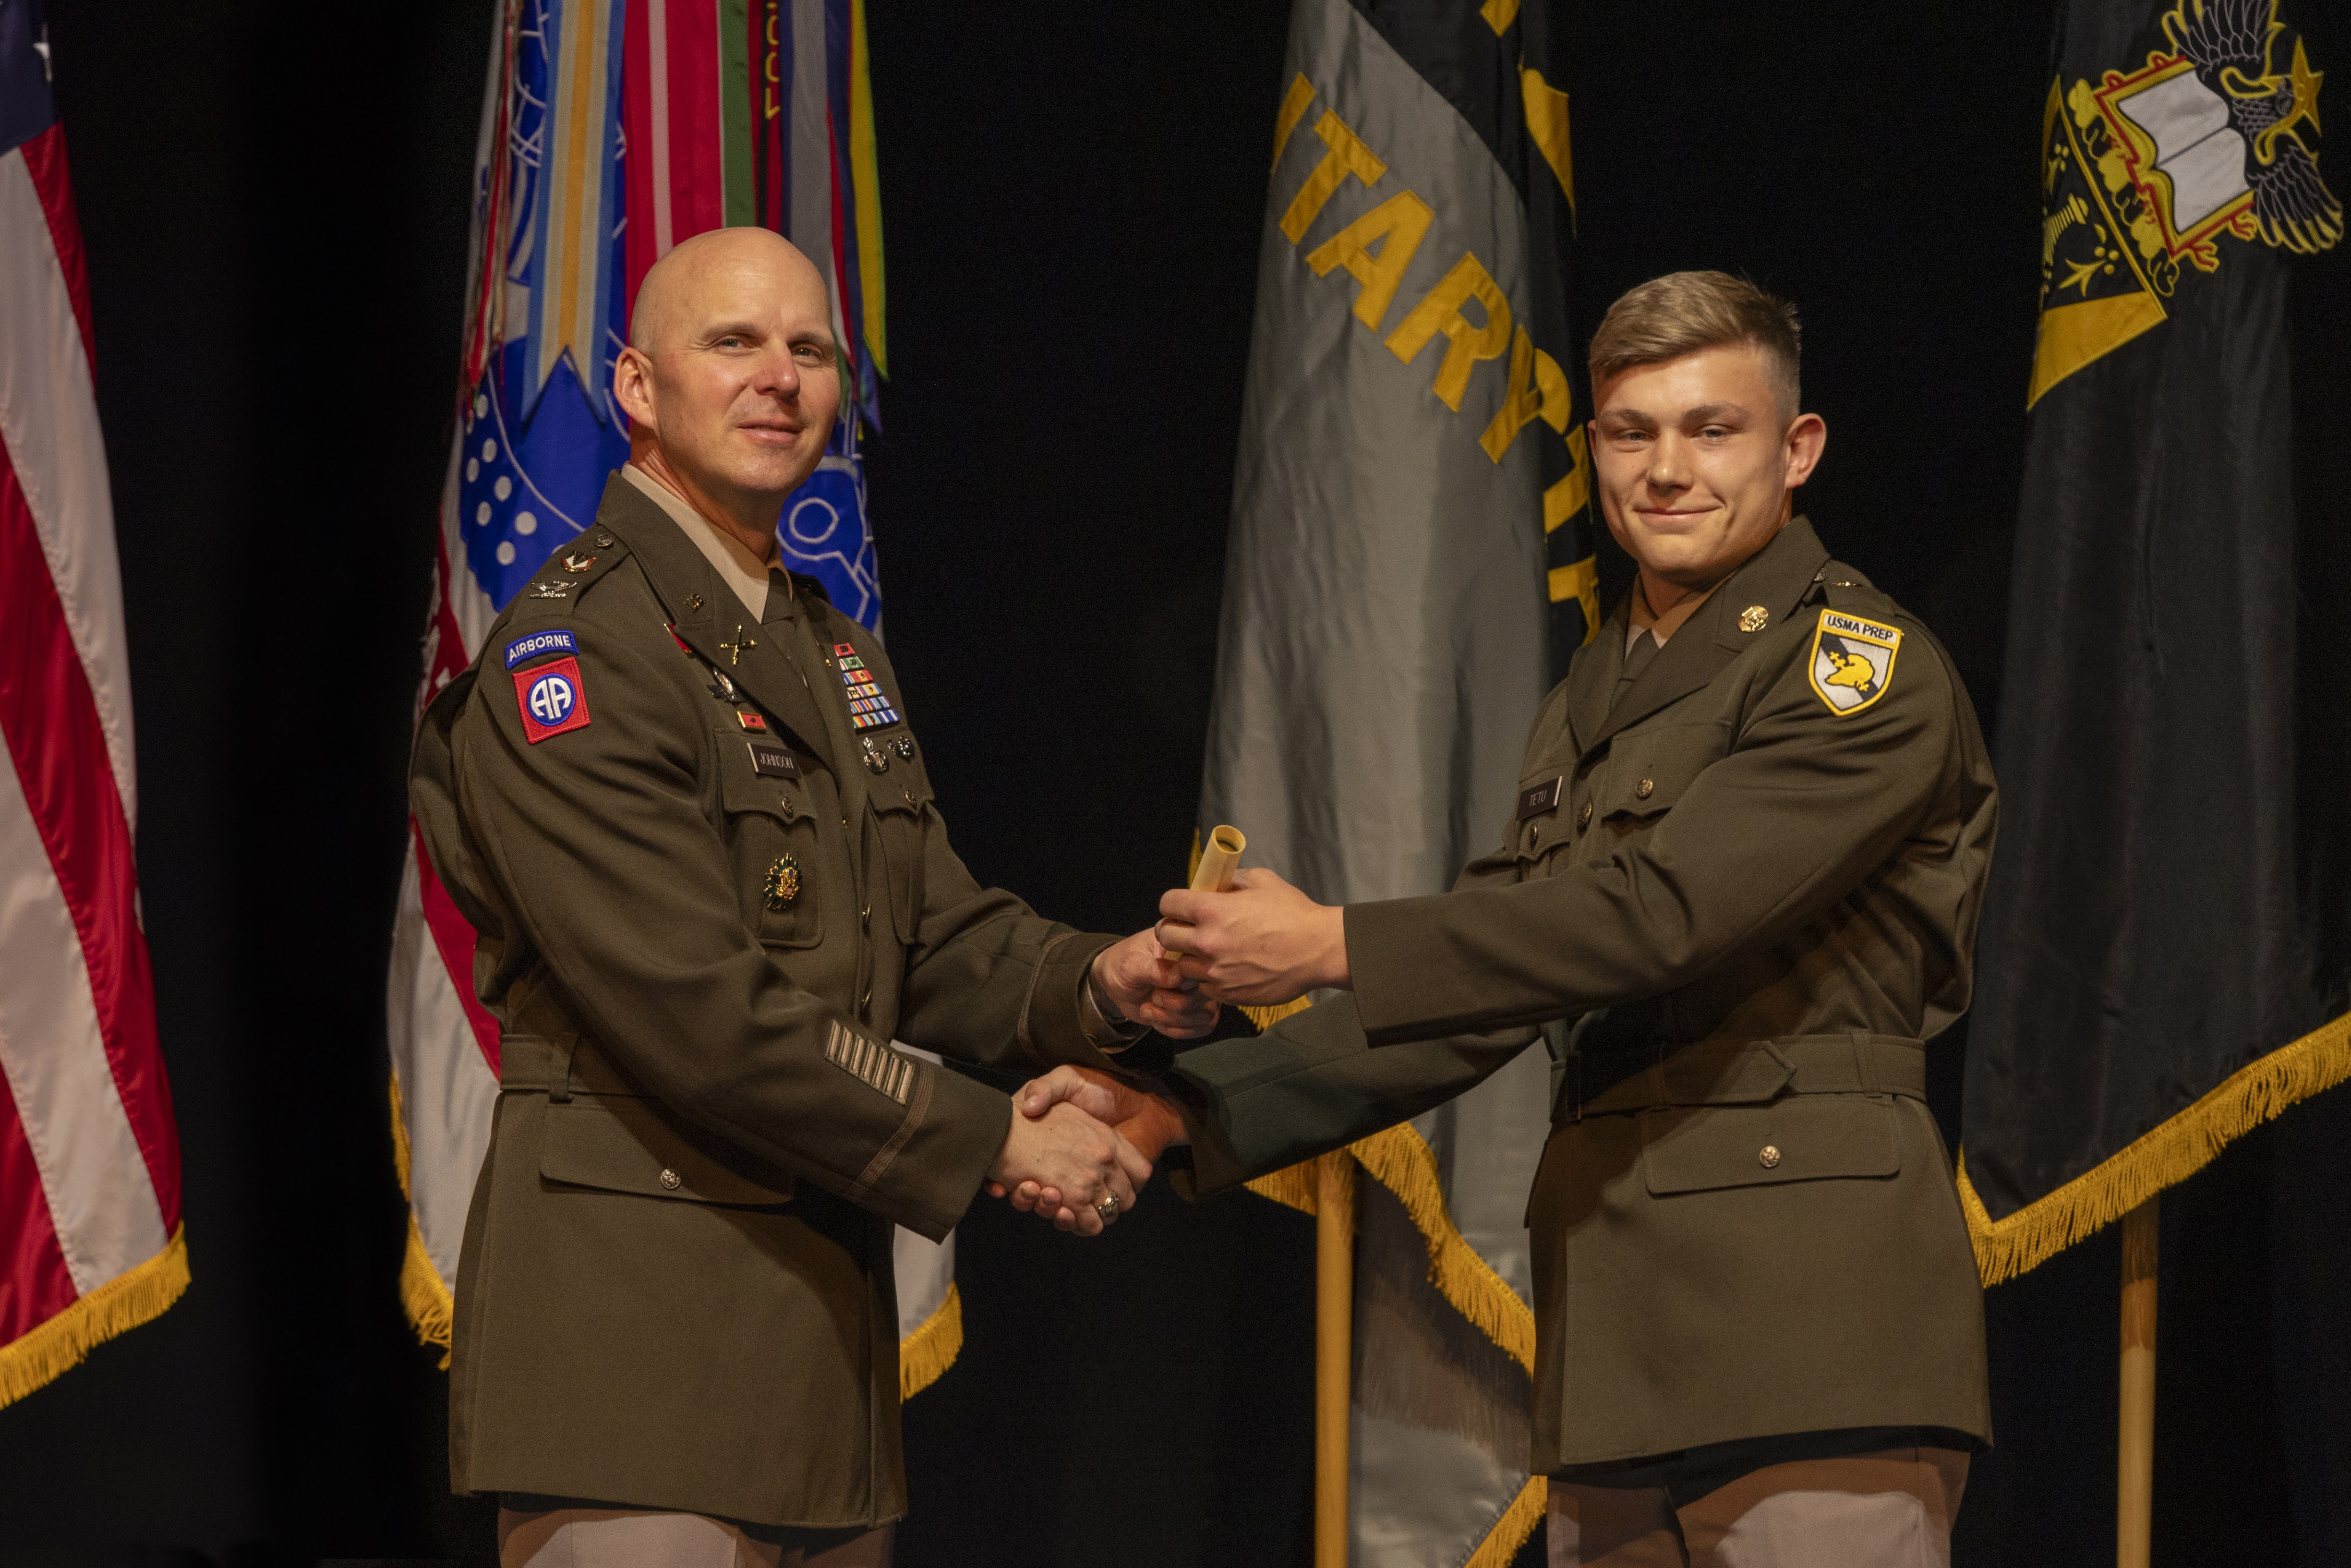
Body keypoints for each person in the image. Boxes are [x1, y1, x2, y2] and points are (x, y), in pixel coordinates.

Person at [1012, 272, 1995, 1567]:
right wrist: (1175, 1102)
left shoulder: (1857, 666)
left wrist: (1330, 940)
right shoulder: (1599, 688)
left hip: (1809, 1344)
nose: (1666, 469)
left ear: (1796, 448)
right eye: (1631, 431)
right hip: (1614, 1355)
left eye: (1712, 428)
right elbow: (1487, 978)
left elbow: (1657, 916)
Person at [409, 226, 1214, 1568]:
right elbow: (701, 1011)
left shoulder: (829, 650)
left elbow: (928, 935)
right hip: (633, 1358)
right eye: (734, 342)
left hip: (815, 1361)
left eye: (810, 348)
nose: (780, 376)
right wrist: (995, 1139)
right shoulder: (577, 651)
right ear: (640, 390)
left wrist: (1100, 980)